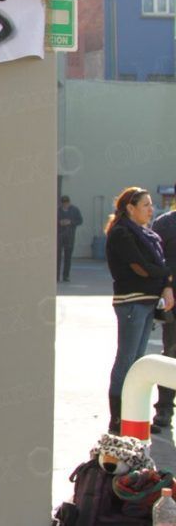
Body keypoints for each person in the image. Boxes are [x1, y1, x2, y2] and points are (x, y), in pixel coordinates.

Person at [104, 186, 173, 434]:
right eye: (145, 205)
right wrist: (166, 274)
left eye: (151, 204)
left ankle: (133, 418)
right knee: (126, 361)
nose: (150, 209)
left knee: (137, 362)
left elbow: (156, 265)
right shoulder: (123, 233)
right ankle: (118, 419)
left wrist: (163, 276)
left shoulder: (146, 234)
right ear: (130, 208)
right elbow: (141, 268)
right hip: (132, 302)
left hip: (146, 302)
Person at [151, 188, 176, 432]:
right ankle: (164, 411)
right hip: (173, 300)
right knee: (171, 353)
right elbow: (156, 261)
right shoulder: (166, 224)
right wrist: (165, 287)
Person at [57, 195, 83, 282]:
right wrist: (59, 222)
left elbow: (80, 221)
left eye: (67, 203)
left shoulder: (75, 210)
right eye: (64, 203)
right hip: (59, 236)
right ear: (61, 203)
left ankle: (66, 276)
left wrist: (70, 222)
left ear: (69, 202)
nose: (65, 205)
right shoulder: (57, 211)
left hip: (70, 236)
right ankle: (56, 276)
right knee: (57, 257)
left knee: (68, 257)